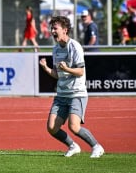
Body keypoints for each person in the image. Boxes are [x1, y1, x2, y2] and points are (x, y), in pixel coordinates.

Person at [39, 16, 104, 158]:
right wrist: (46, 68)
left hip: (77, 93)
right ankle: (73, 146)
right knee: (51, 128)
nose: (52, 31)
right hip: (62, 94)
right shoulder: (55, 49)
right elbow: (58, 75)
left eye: (55, 28)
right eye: (52, 28)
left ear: (65, 30)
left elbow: (80, 71)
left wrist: (67, 69)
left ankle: (97, 146)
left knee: (74, 126)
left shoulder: (75, 46)